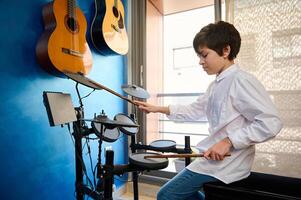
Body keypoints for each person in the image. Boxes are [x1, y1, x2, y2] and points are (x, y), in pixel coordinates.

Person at [134, 21, 283, 200]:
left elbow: (271, 122)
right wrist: (157, 108)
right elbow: (195, 110)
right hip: (212, 160)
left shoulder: (241, 80)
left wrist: (228, 142)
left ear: (225, 51)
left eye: (204, 55)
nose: (201, 62)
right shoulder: (216, 85)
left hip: (227, 163)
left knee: (166, 195)